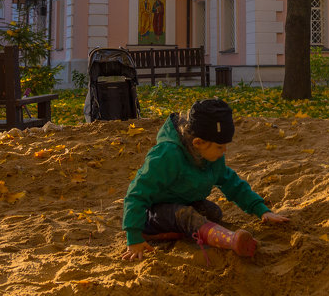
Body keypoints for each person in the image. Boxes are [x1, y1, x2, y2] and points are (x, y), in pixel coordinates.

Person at [122, 98, 289, 260]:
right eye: (219, 146)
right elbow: (137, 193)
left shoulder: (212, 158)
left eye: (225, 146)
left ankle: (182, 231)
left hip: (184, 203)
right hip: (151, 214)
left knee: (213, 212)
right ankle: (232, 241)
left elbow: (232, 184)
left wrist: (262, 210)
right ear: (198, 143)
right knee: (185, 215)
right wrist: (134, 237)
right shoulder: (167, 155)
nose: (224, 151)